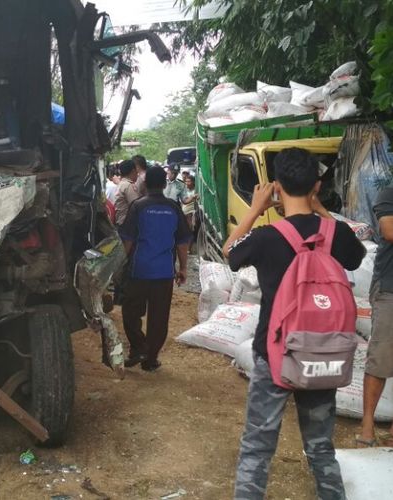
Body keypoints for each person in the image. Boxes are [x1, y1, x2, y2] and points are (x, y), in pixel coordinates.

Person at [223, 148, 365, 500]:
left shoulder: (268, 237)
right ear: (316, 186)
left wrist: (256, 208)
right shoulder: (336, 236)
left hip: (273, 355)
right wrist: (319, 209)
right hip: (323, 354)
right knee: (320, 447)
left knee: (257, 447)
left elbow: (230, 252)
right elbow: (357, 256)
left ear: (276, 186)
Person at [120, 166, 191, 371]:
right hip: (164, 273)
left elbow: (127, 241)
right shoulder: (173, 208)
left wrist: (120, 265)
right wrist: (183, 268)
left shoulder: (137, 206)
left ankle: (138, 347)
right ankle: (150, 359)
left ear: (146, 184)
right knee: (159, 317)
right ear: (164, 184)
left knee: (131, 311)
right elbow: (183, 242)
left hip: (138, 271)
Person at [357, 186, 393, 447]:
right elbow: (389, 230)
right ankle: (367, 425)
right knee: (381, 358)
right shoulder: (389, 193)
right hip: (390, 288)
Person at [114, 159, 142, 226]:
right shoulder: (128, 186)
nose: (137, 174)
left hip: (121, 222)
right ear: (133, 171)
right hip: (127, 224)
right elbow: (137, 205)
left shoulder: (121, 184)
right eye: (136, 172)